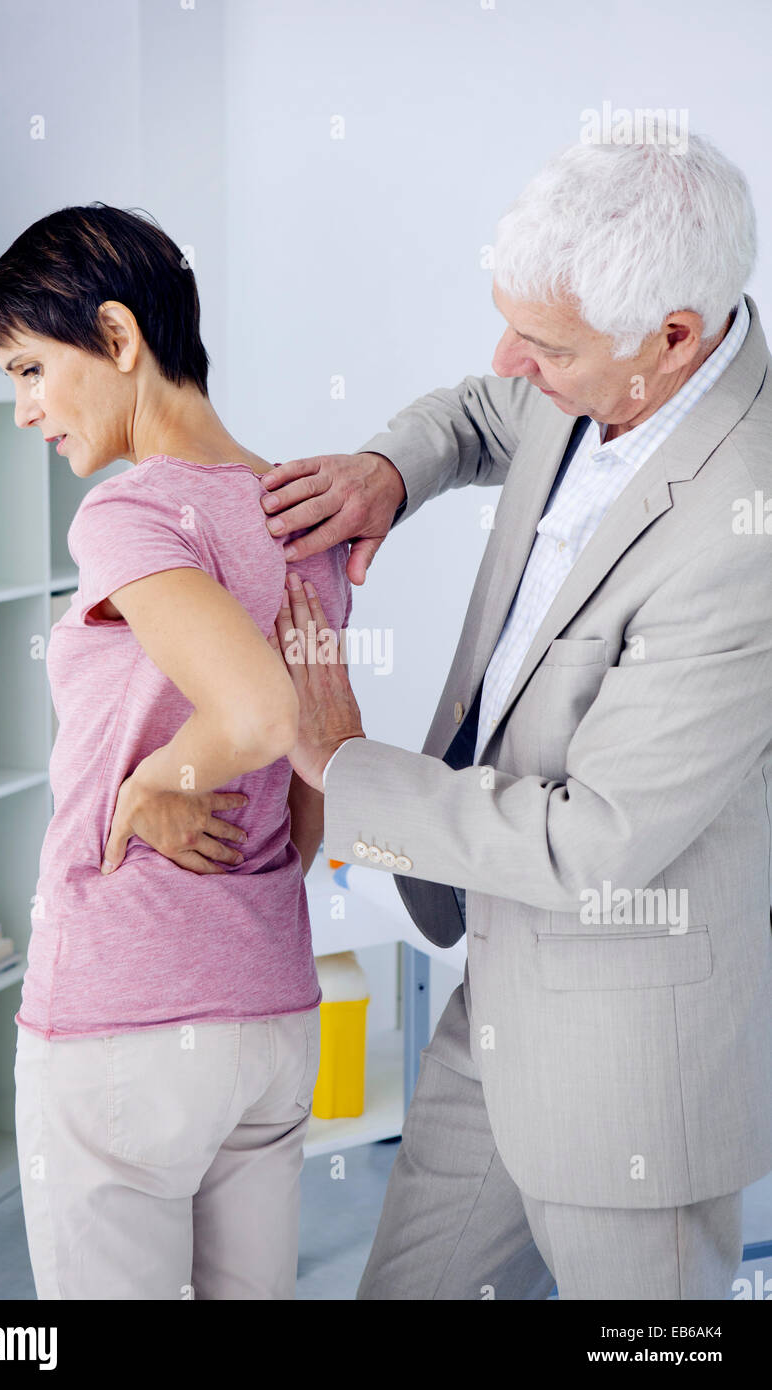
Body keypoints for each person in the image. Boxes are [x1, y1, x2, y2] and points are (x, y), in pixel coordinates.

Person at [251, 133, 772, 1299]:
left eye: (541, 345)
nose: (508, 360)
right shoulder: (594, 374)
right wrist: (391, 465)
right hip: (496, 1000)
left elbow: (584, 838)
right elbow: (488, 411)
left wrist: (342, 766)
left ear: (672, 337)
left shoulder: (746, 526)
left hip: (628, 1055)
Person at [0, 202, 354, 1300]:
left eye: (32, 369)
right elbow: (315, 777)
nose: (23, 410)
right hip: (270, 1016)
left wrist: (146, 784)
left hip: (120, 1018)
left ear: (120, 337)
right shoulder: (295, 512)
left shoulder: (127, 512)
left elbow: (260, 716)